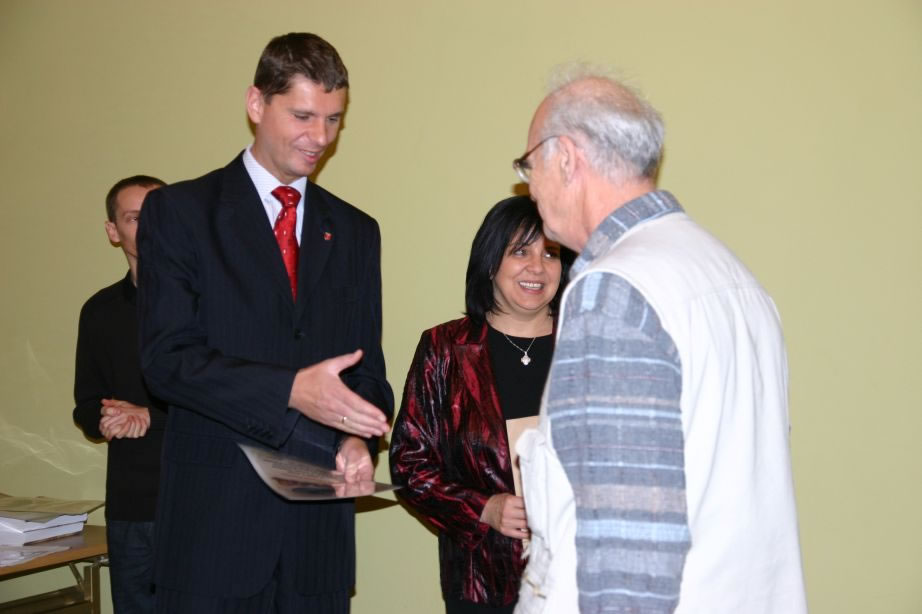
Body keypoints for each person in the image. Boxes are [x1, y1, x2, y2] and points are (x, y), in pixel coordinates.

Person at [512, 71, 808, 614]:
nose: (529, 187)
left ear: (567, 159)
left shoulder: (615, 291)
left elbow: (627, 559)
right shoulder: (733, 275)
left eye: (529, 165)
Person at [135, 33, 393, 613]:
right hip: (212, 539)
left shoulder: (356, 231)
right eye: (303, 116)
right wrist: (290, 391)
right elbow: (166, 361)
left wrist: (357, 437)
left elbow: (367, 372)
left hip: (315, 549)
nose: (320, 137)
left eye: (333, 119)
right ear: (256, 103)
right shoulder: (179, 212)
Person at [390, 196, 571, 614]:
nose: (537, 267)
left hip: (579, 575)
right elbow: (409, 464)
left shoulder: (588, 343)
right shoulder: (445, 348)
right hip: (482, 580)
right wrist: (484, 508)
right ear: (491, 262)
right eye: (520, 251)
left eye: (550, 253)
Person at [73, 175, 167, 614]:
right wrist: (107, 418)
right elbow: (86, 404)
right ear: (114, 231)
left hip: (203, 500)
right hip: (131, 506)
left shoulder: (215, 305)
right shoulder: (99, 311)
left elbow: (240, 405)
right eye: (135, 218)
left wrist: (150, 416)